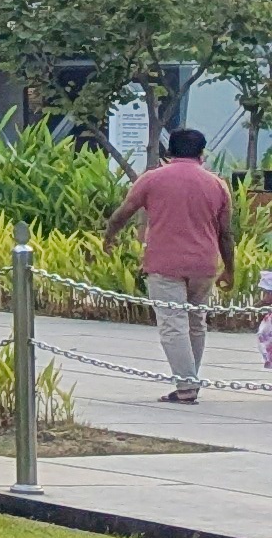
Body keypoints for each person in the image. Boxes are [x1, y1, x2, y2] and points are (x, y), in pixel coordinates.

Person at [102, 127, 238, 404]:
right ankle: (189, 381)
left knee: (172, 324)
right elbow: (226, 233)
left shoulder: (152, 179)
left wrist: (109, 237)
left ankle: (187, 386)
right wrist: (229, 268)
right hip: (204, 263)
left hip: (163, 264)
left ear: (168, 152)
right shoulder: (217, 184)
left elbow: (123, 212)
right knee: (196, 323)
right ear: (202, 153)